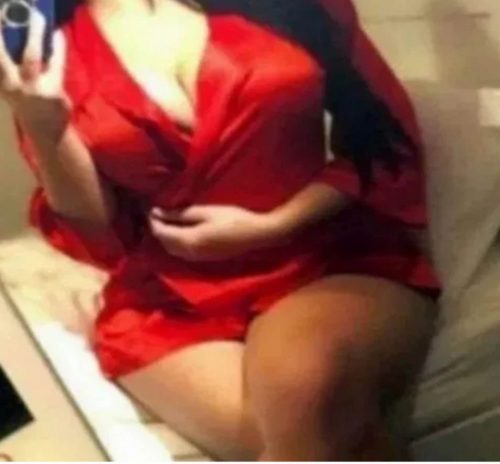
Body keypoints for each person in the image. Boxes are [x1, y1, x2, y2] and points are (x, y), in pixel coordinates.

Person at [0, 0, 440, 460]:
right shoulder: (46, 47)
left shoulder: (299, 6)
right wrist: (45, 127)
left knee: (300, 388)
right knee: (313, 440)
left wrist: (276, 222)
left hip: (322, 259)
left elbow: (383, 143)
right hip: (169, 302)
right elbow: (97, 232)